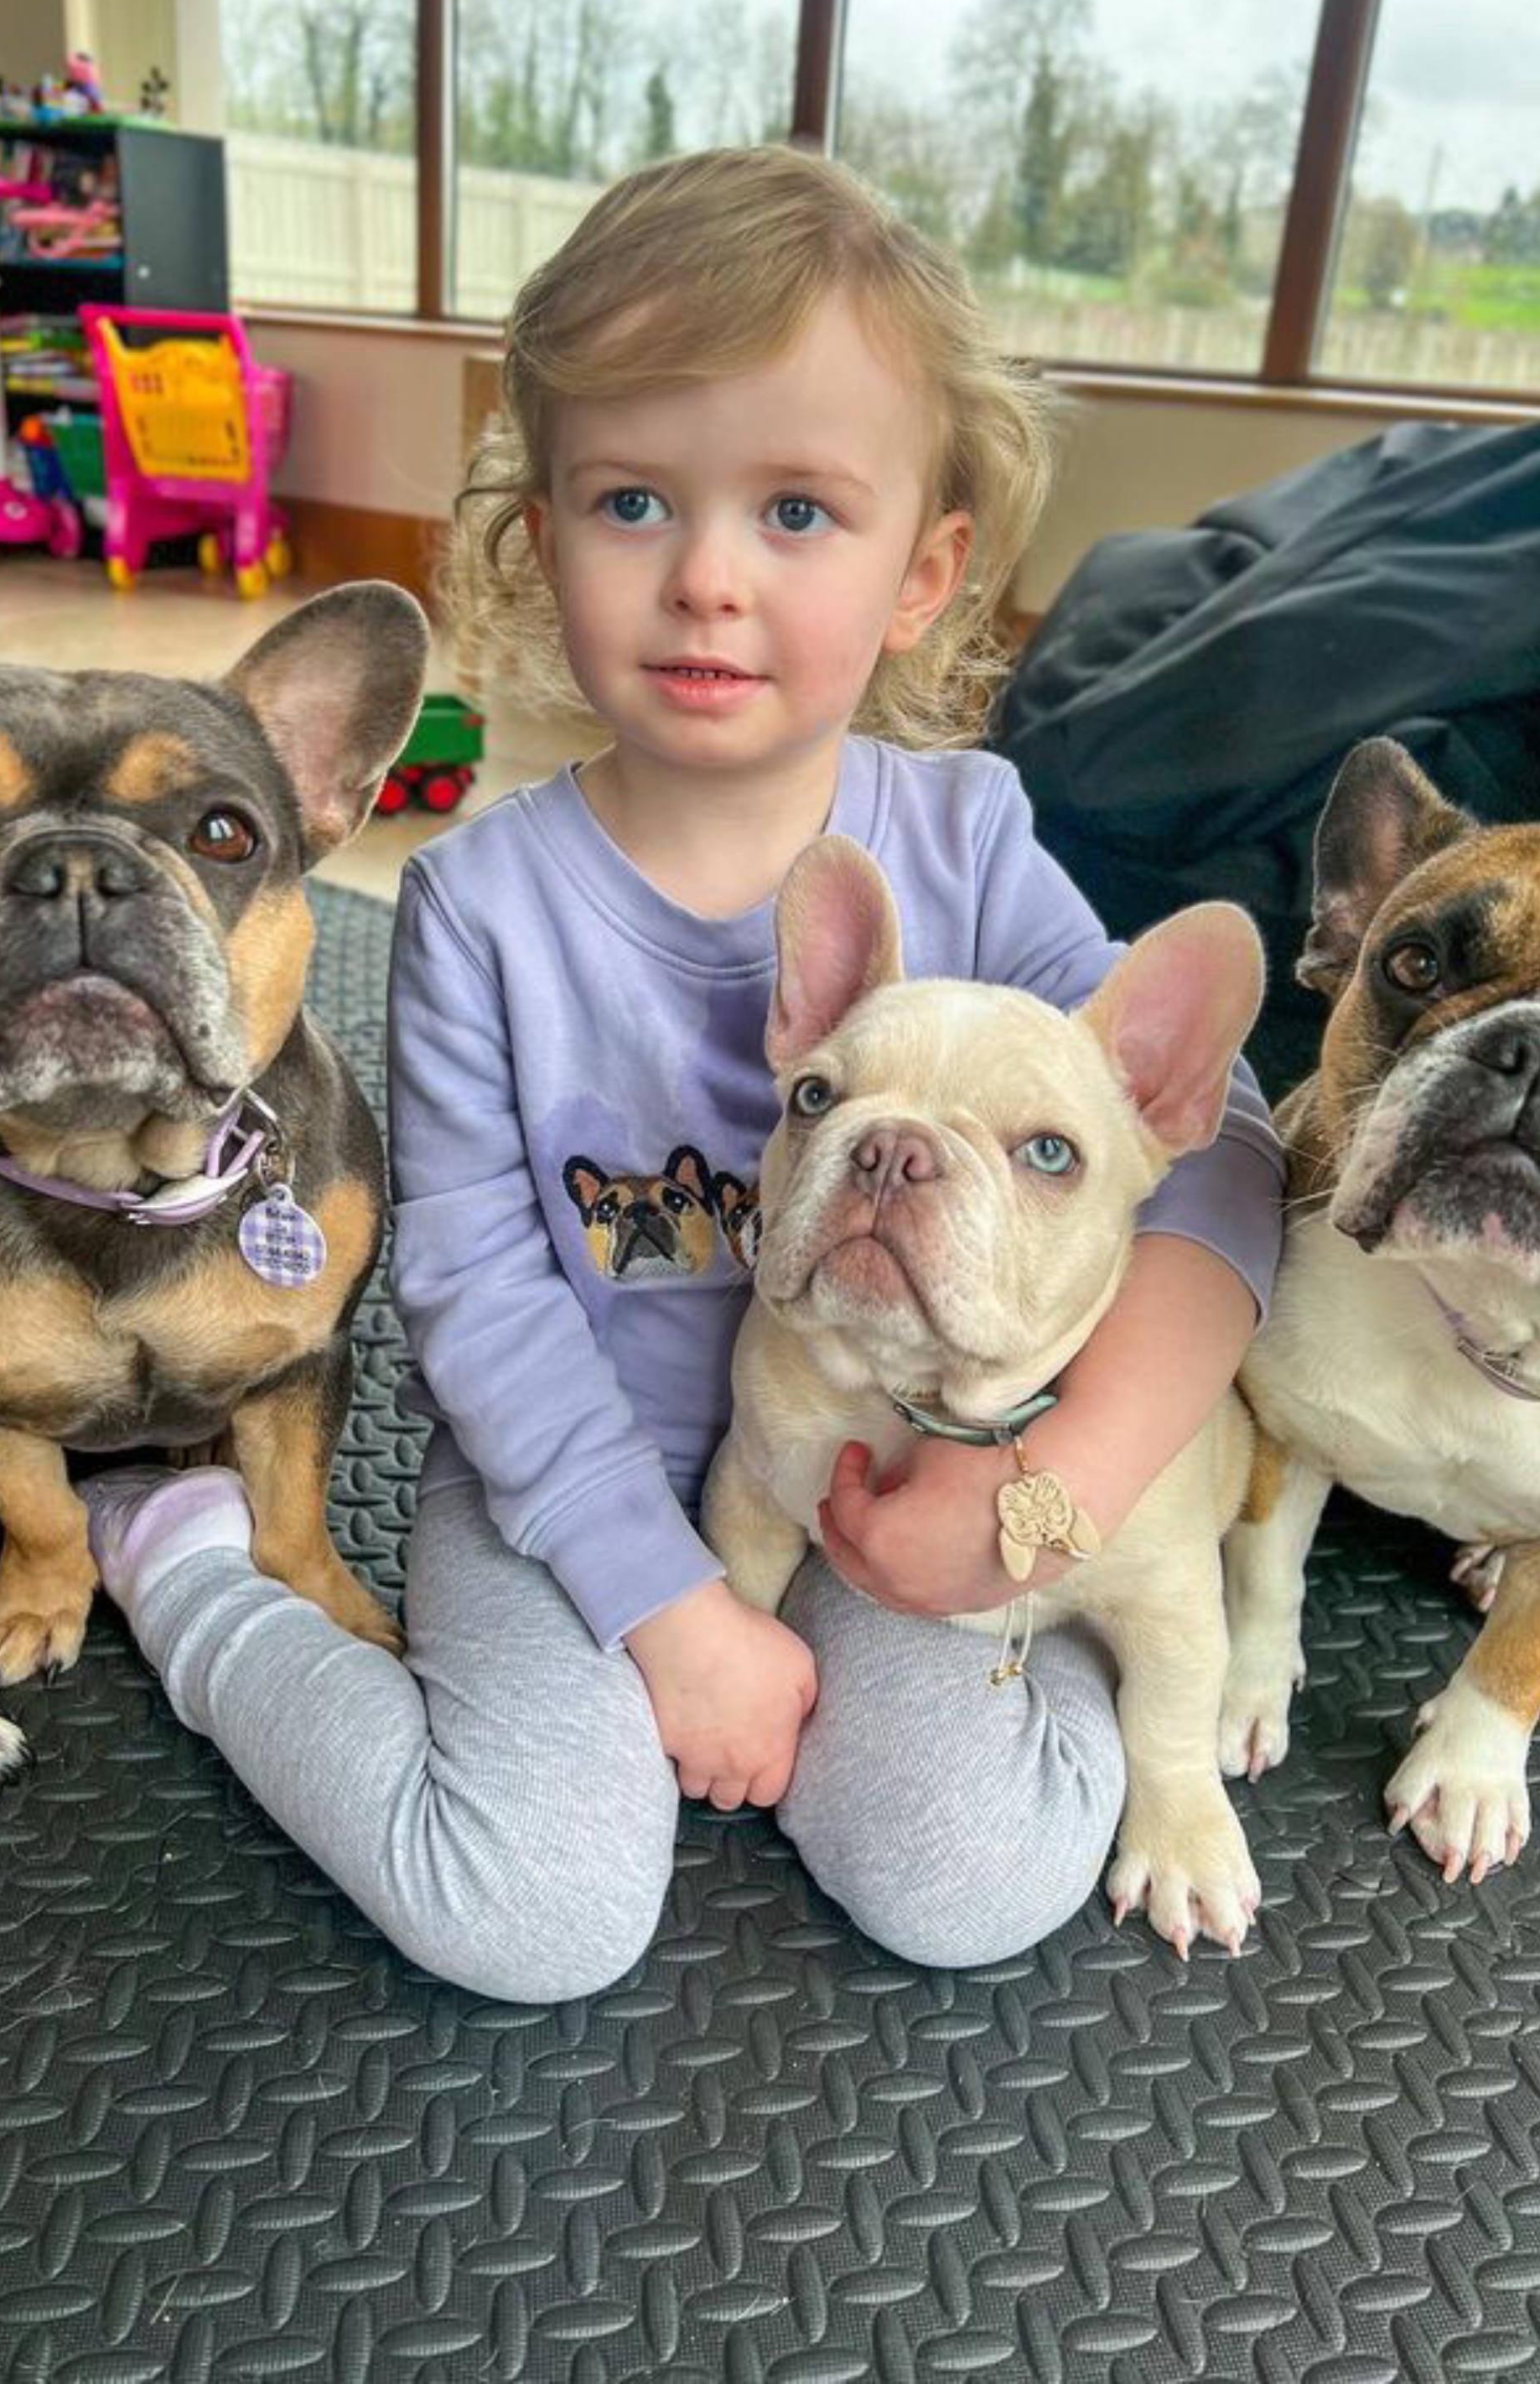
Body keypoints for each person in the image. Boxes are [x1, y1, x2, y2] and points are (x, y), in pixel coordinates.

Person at [82, 145, 1283, 2001]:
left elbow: (1220, 1161)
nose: (708, 577)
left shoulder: (966, 839)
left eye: (798, 510)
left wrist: (1046, 1493)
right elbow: (476, 1293)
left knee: (972, 1887)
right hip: (582, 1476)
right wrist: (667, 1611)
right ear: (536, 538)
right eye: (634, 498)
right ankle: (189, 1576)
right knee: (532, 1919)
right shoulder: (477, 906)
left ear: (925, 571)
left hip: (900, 1459)